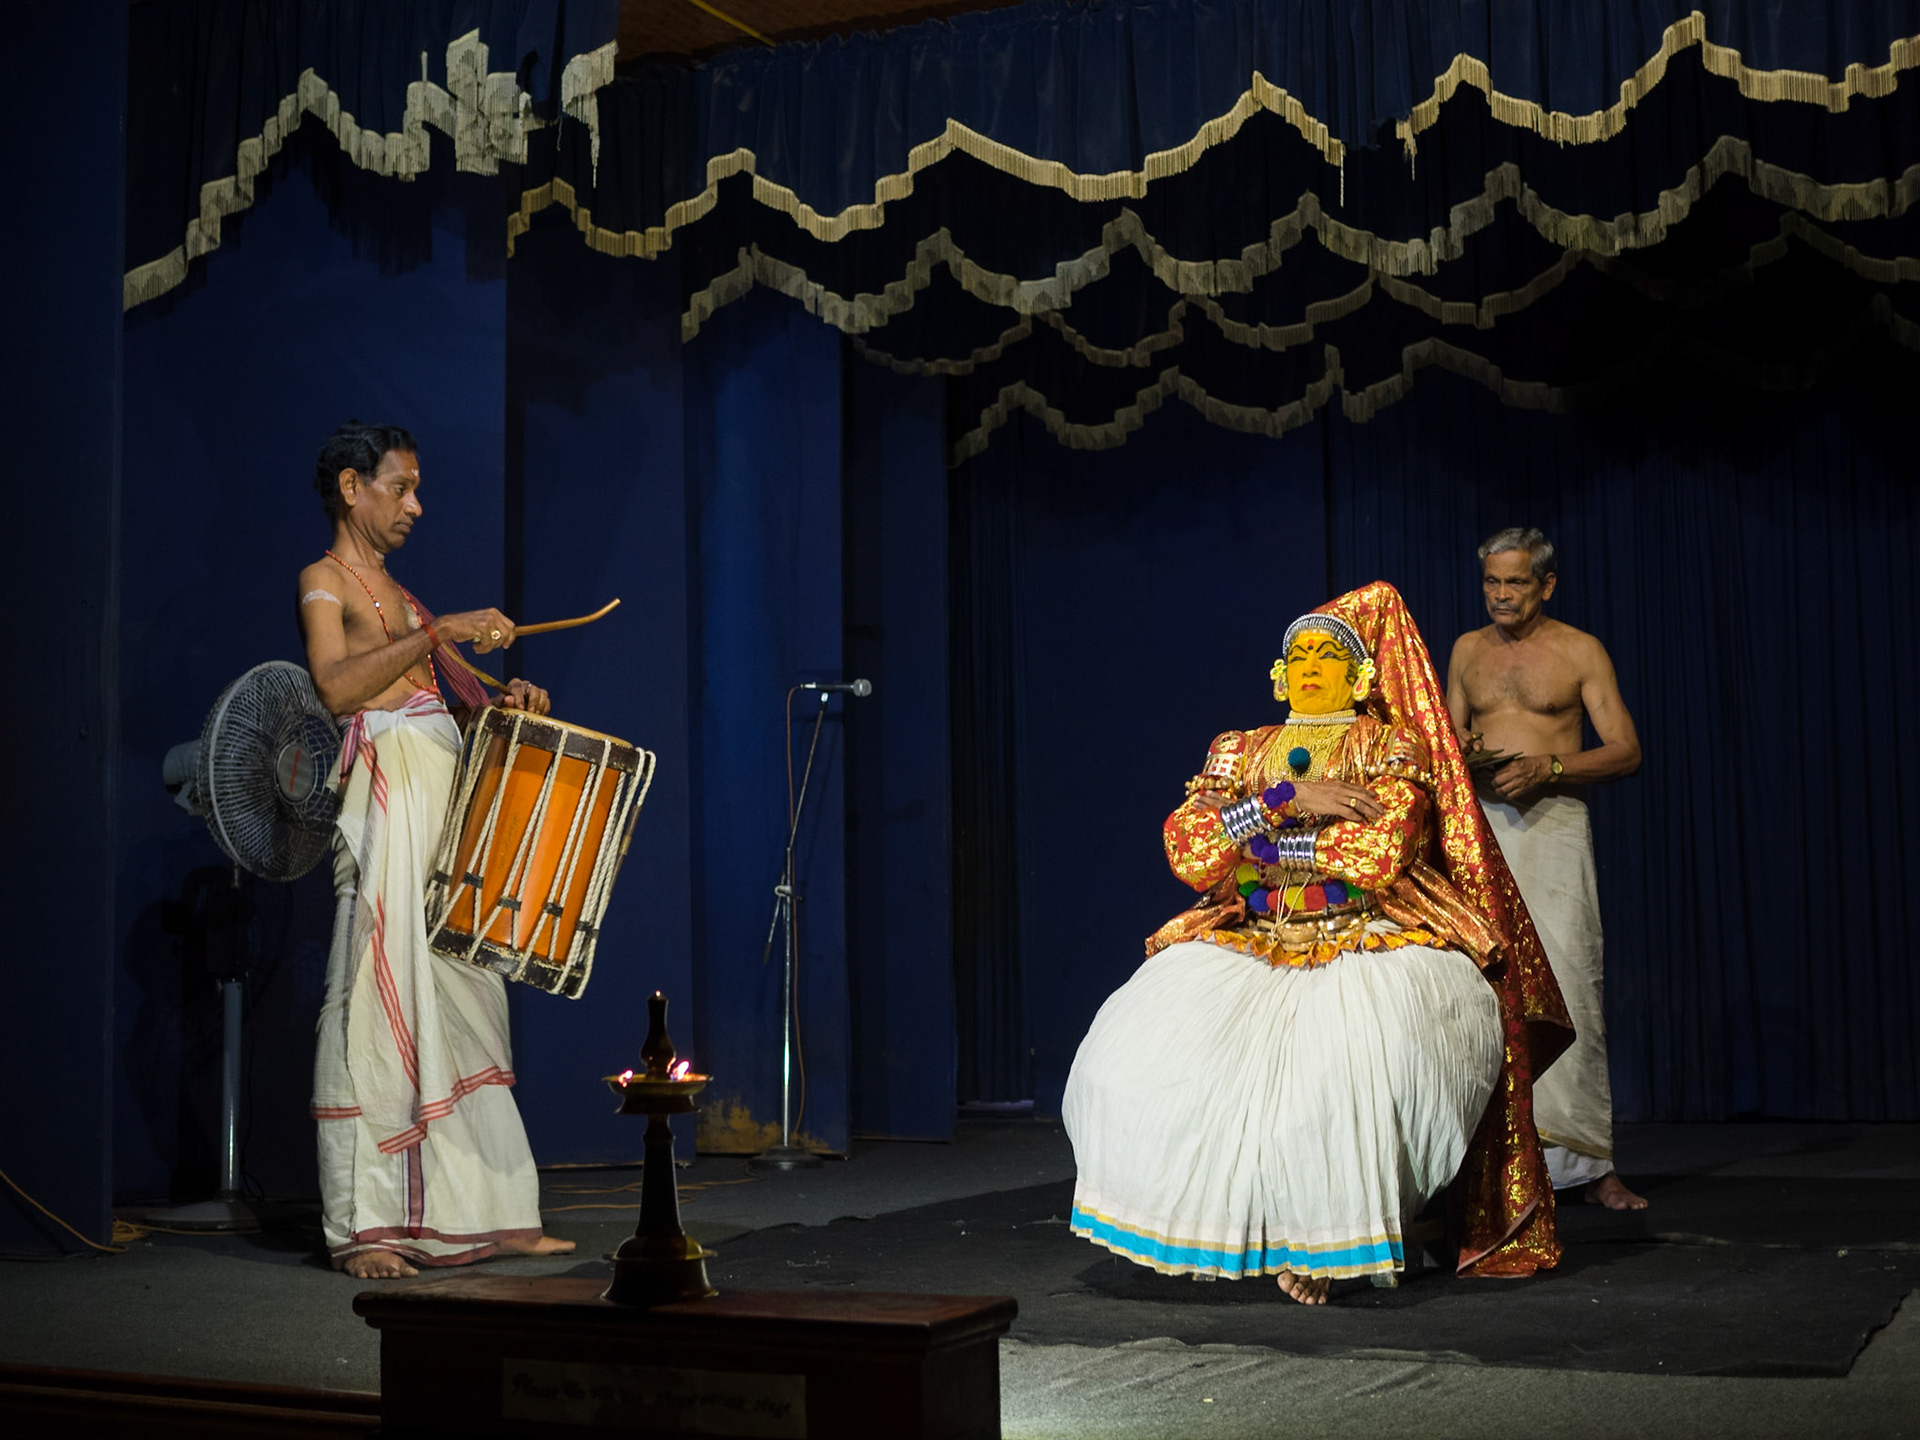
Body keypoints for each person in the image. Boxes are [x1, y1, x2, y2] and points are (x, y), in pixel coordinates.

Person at [1063, 582, 1571, 1304]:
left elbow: (1379, 851)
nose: (1308, 665)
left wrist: (1258, 838)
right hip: (1254, 936)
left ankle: (1332, 1246)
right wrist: (1286, 799)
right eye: (1296, 655)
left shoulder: (1389, 745)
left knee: (1344, 1078)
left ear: (1360, 678)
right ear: (1278, 676)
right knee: (1128, 1066)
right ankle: (1235, 1230)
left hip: (1365, 938)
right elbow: (1189, 846)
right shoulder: (1240, 750)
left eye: (1327, 655)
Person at [296, 421, 576, 1279]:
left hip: (441, 794)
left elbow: (437, 704)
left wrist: (506, 701)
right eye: (401, 487)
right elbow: (337, 688)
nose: (415, 505)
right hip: (388, 799)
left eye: (416, 489)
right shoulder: (323, 581)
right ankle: (367, 1228)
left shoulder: (405, 599)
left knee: (463, 995)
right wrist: (441, 631)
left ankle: (496, 1212)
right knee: (375, 1003)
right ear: (353, 488)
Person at [1446, 528, 1646, 1211]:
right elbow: (1446, 743)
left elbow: (1625, 750)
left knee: (1569, 983)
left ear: (1547, 585)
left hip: (1554, 823)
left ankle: (1589, 1165)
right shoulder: (1467, 650)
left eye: (1516, 582)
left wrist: (1550, 766)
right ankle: (1489, 1166)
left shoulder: (1580, 650)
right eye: (1492, 582)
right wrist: (1461, 749)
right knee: (1481, 989)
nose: (1501, 595)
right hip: (1482, 828)